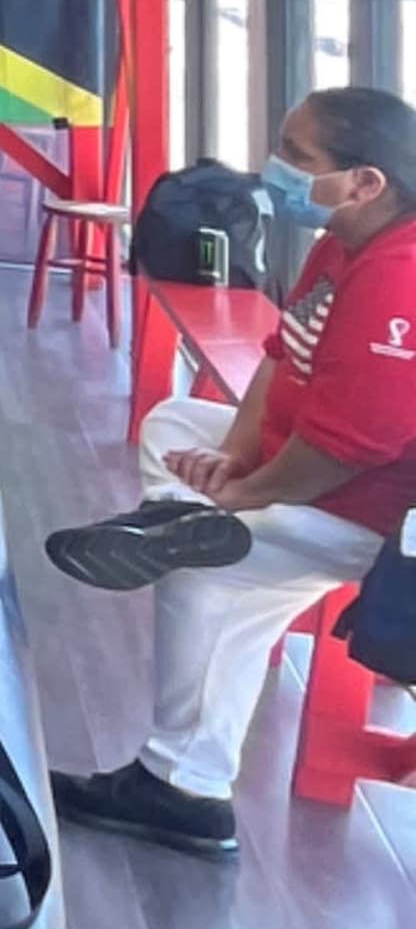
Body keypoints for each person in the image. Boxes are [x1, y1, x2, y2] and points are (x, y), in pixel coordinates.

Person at [43, 83, 416, 858]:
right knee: (177, 425)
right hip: (300, 465)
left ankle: (180, 784)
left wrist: (247, 492)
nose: (276, 168)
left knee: (204, 578)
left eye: (297, 156)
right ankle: (177, 523)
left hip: (364, 517)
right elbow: (279, 359)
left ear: (366, 181)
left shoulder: (399, 276)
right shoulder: (341, 241)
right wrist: (238, 456)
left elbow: (347, 449)